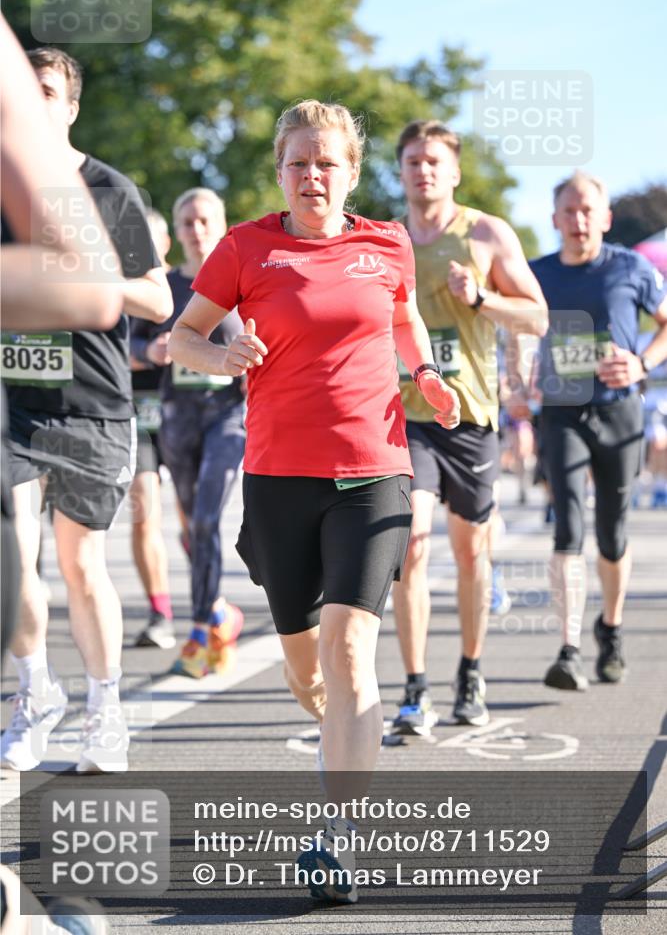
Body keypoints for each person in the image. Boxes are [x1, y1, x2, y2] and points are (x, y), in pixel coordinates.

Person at [167, 100, 460, 901]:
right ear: (279, 171)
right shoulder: (244, 247)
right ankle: (341, 738)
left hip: (374, 468)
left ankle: (340, 837)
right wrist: (221, 349)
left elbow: (404, 327)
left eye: (326, 162)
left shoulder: (386, 243)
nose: (312, 176)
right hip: (277, 478)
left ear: (351, 173)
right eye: (297, 162)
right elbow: (181, 336)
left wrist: (427, 375)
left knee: (350, 647)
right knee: (309, 671)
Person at [1, 45, 172, 775]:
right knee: (13, 563)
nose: (33, 102)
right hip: (12, 403)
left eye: (47, 91)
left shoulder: (109, 189)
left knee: (79, 564)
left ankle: (105, 708)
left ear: (69, 106)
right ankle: (35, 690)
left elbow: (161, 300)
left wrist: (90, 268)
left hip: (94, 405)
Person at [390, 120, 547, 735]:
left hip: (472, 417)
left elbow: (535, 317)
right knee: (411, 542)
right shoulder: (388, 239)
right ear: (400, 172)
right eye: (411, 162)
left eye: (434, 161)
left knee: (470, 551)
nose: (423, 170)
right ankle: (414, 687)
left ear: (453, 171)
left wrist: (481, 298)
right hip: (406, 414)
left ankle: (471, 672)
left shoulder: (485, 233)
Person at [516, 171, 667, 690]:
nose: (579, 220)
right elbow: (513, 329)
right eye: (569, 211)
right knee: (568, 529)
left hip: (620, 412)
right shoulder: (536, 275)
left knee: (611, 535)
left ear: (603, 218)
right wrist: (520, 379)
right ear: (555, 219)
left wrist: (641, 365)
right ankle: (569, 647)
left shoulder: (630, 268)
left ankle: (612, 631)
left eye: (588, 211)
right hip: (562, 412)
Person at [132, 188, 245, 677]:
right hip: (176, 419)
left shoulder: (242, 279)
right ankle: (219, 613)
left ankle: (200, 628)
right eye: (187, 223)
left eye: (204, 221)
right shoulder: (164, 287)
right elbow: (129, 340)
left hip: (227, 416)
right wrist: (150, 353)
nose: (196, 230)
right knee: (192, 528)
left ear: (220, 225)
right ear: (176, 232)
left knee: (204, 519)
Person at [129, 208, 177, 649]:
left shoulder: (185, 285)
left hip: (187, 412)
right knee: (144, 509)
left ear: (164, 244)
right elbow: (106, 347)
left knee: (192, 517)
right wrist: (148, 351)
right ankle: (159, 611)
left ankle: (208, 602)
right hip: (137, 414)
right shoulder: (118, 287)